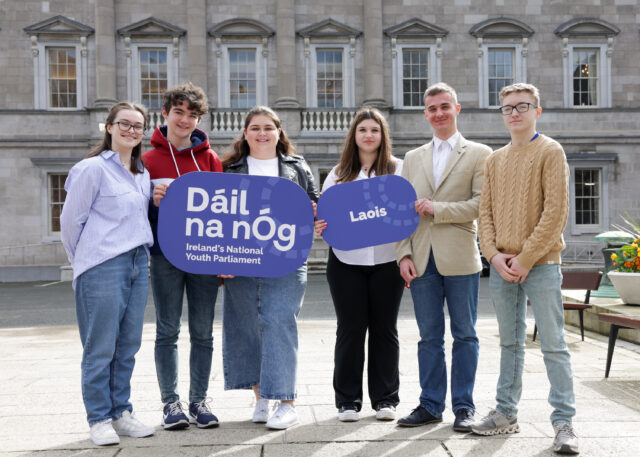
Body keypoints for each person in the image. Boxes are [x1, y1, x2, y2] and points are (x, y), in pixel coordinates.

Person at [473, 83, 579, 455]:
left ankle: (564, 423)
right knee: (509, 344)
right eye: (507, 108)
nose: (514, 113)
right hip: (502, 266)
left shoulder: (551, 151)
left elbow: (556, 213)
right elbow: (484, 214)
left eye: (522, 106)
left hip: (542, 265)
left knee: (553, 344)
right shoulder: (494, 159)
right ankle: (505, 413)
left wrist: (525, 258)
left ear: (538, 110)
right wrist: (493, 255)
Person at [395, 83, 491, 432]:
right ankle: (430, 404)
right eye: (432, 108)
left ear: (457, 109)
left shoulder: (480, 153)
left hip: (461, 257)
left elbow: (482, 205)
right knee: (428, 337)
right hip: (421, 259)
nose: (438, 113)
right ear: (426, 114)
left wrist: (438, 209)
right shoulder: (413, 158)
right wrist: (403, 254)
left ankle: (464, 407)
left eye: (444, 107)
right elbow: (400, 213)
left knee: (465, 335)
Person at [60, 101, 155, 446]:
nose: (131, 130)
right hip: (102, 265)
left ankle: (121, 413)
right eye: (124, 124)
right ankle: (99, 418)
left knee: (128, 344)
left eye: (138, 126)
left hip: (137, 263)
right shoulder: (91, 170)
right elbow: (70, 223)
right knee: (100, 347)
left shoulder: (142, 174)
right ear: (109, 127)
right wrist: (85, 262)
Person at [221, 106, 318, 430]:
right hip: (242, 261)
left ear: (279, 132)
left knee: (279, 323)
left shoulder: (296, 166)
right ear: (245, 133)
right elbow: (217, 219)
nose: (262, 133)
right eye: (255, 128)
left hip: (287, 259)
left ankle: (286, 401)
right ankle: (262, 396)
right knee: (247, 326)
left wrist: (317, 216)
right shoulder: (229, 168)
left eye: (268, 127)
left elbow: (314, 205)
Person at [314, 108, 405, 422]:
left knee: (385, 329)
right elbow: (327, 220)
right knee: (350, 330)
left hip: (388, 261)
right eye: (363, 129)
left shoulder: (399, 171)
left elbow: (409, 217)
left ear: (383, 136)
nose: (369, 135)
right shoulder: (339, 174)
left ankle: (385, 399)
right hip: (345, 262)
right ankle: (348, 401)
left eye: (375, 130)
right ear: (354, 135)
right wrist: (320, 226)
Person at [143, 82, 223, 430]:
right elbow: (135, 216)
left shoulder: (210, 159)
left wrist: (224, 261)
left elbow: (225, 216)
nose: (185, 120)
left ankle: (199, 400)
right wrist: (153, 202)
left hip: (204, 258)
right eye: (179, 112)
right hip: (164, 257)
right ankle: (170, 403)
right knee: (167, 330)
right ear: (165, 114)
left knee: (203, 332)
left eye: (192, 115)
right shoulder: (146, 160)